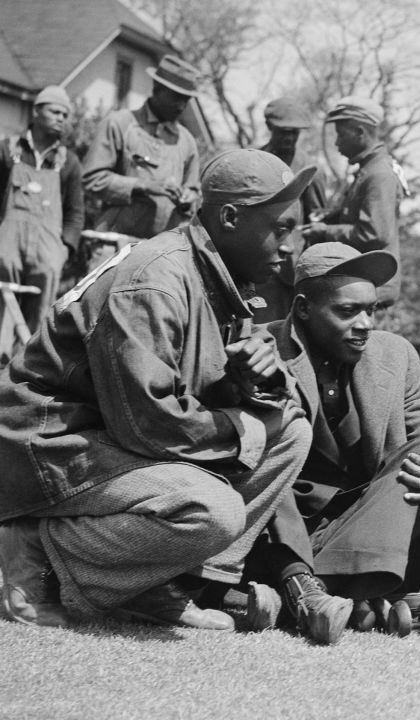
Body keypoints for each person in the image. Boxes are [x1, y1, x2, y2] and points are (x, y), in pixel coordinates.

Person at [0, 149, 314, 631]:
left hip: (104, 442)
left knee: (290, 431)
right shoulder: (157, 280)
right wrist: (245, 426)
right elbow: (147, 424)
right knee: (213, 508)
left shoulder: (221, 277)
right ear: (230, 217)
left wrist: (261, 381)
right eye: (282, 228)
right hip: (47, 445)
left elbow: (207, 390)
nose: (292, 245)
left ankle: (163, 583)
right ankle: (31, 547)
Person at [243, 242, 420, 645]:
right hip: (284, 530)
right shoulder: (262, 353)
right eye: (347, 311)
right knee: (261, 453)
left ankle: (303, 593)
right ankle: (356, 592)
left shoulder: (396, 354)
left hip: (371, 522)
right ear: (303, 308)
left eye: (371, 310)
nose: (365, 323)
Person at [82, 55, 201, 253]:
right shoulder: (119, 124)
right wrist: (143, 186)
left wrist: (188, 200)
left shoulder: (186, 141)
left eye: (186, 100)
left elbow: (193, 192)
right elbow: (92, 179)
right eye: (176, 98)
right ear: (157, 88)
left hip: (161, 253)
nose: (181, 106)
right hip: (115, 247)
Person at [301, 97, 404, 308]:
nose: (337, 143)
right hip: (364, 283)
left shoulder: (378, 174)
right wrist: (330, 217)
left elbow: (373, 233)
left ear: (359, 132)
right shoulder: (369, 170)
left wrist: (324, 231)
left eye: (341, 134)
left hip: (372, 287)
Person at [0, 86, 84, 341]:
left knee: (39, 322)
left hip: (48, 248)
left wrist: (64, 249)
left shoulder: (68, 162)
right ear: (36, 111)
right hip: (7, 243)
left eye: (65, 114)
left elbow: (75, 212)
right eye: (54, 111)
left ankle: (26, 372)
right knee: (2, 308)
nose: (61, 118)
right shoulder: (7, 150)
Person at [253, 97, 328, 323]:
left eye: (294, 133)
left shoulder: (311, 169)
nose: (289, 138)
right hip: (258, 264)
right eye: (283, 131)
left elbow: (317, 223)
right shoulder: (254, 162)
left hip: (294, 269)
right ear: (269, 127)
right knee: (261, 328)